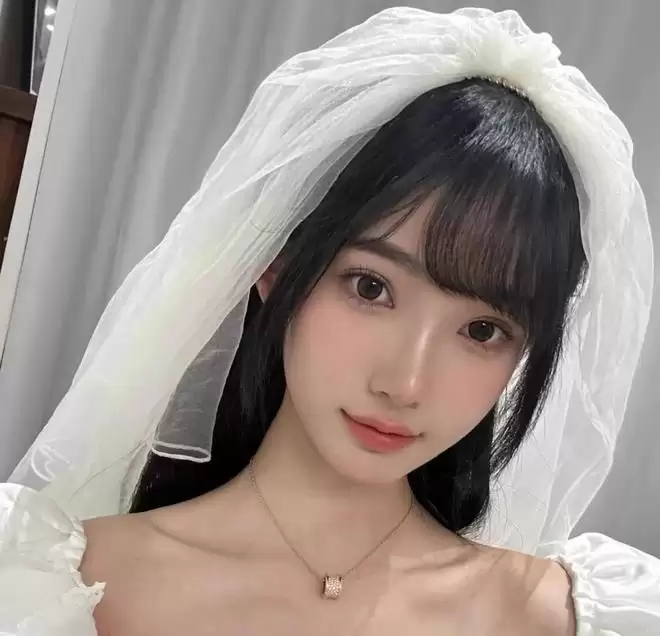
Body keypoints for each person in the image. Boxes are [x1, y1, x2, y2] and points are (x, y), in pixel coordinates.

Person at [0, 7, 658, 635]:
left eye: (483, 330)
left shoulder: (581, 616)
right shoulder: (46, 586)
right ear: (276, 267)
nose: (405, 384)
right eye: (371, 288)